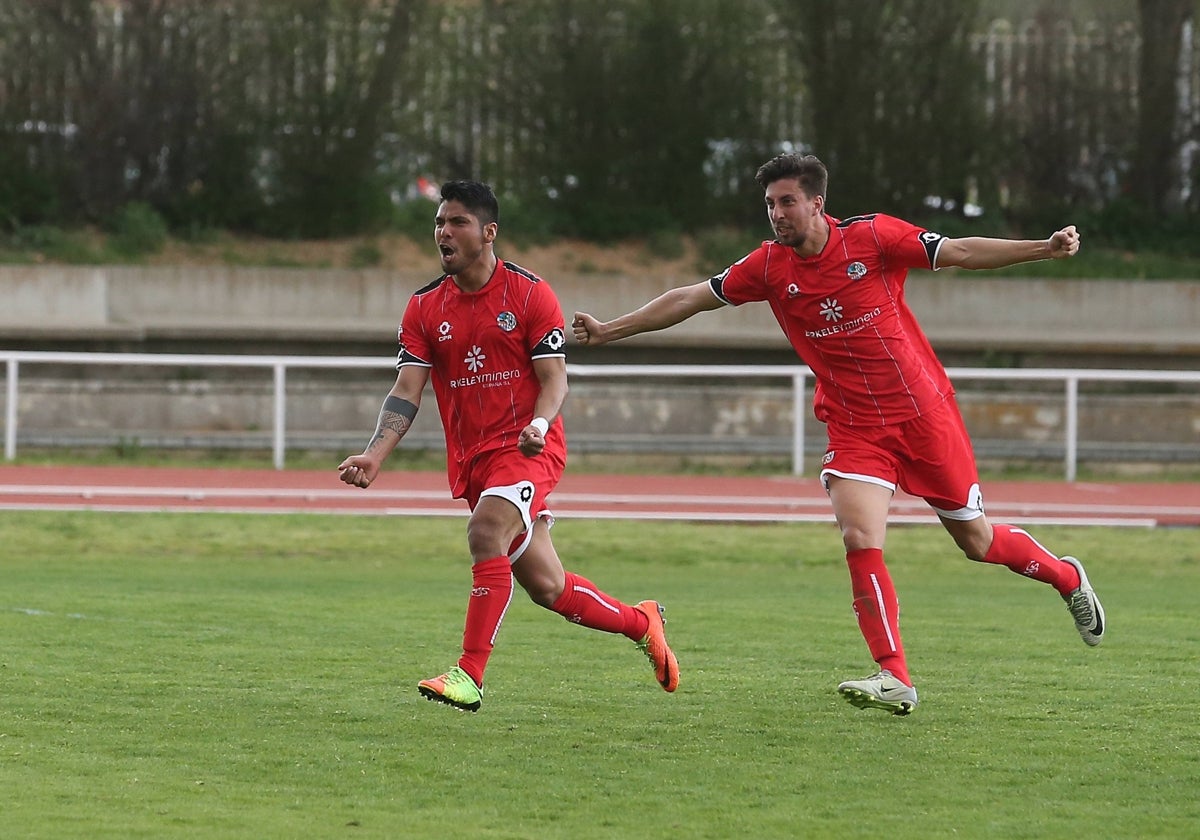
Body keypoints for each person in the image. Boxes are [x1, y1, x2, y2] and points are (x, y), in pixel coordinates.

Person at [572, 153, 1104, 716]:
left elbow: (962, 252)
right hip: (855, 425)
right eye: (770, 204)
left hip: (924, 415)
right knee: (859, 536)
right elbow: (690, 297)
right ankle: (894, 675)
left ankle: (1067, 576)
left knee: (978, 543)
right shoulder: (769, 267)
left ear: (817, 202)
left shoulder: (875, 238)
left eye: (787, 202)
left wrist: (1042, 249)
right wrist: (611, 330)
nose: (776, 214)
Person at [340, 179, 679, 712]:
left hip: (527, 450)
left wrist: (541, 426)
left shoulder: (529, 294)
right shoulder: (425, 307)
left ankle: (469, 675)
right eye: (438, 223)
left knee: (485, 531)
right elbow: (407, 391)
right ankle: (643, 623)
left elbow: (554, 379)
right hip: (475, 461)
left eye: (456, 223)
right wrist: (373, 455)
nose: (443, 233)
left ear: (488, 232)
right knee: (549, 587)